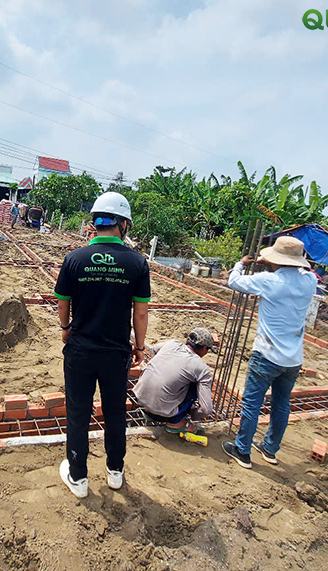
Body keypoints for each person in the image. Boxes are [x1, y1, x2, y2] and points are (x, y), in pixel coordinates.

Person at [54, 192, 151, 498]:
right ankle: (115, 472)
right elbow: (141, 312)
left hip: (80, 351)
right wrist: (139, 347)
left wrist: (66, 329)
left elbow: (63, 302)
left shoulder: (75, 259)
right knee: (115, 413)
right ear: (123, 224)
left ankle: (79, 478)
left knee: (78, 413)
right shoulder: (137, 263)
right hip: (116, 353)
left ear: (95, 222)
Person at [222, 236, 318, 469]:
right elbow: (304, 273)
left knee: (252, 403)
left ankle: (242, 450)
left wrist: (241, 264)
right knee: (281, 405)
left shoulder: (268, 281)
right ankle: (270, 449)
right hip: (293, 359)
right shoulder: (310, 281)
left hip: (266, 355)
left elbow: (234, 281)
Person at [133, 327, 216, 434]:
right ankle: (177, 423)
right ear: (204, 348)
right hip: (163, 414)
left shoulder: (172, 344)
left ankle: (154, 408)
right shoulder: (201, 367)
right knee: (197, 384)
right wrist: (193, 416)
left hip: (139, 400)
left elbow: (154, 349)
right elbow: (206, 409)